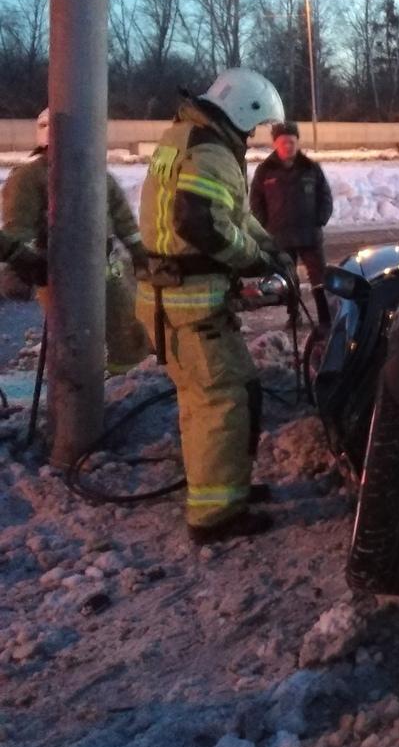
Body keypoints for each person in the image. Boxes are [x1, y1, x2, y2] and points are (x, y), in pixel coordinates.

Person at [136, 68, 291, 544]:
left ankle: (226, 487)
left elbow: (235, 215)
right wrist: (255, 260)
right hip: (190, 305)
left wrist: (273, 247)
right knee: (223, 402)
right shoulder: (212, 151)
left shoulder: (187, 138)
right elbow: (201, 223)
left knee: (210, 399)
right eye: (254, 125)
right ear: (242, 111)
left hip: (172, 300)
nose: (253, 135)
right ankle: (216, 515)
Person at [0, 107, 152, 374]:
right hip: (61, 273)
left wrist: (140, 253)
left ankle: (122, 386)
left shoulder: (98, 174)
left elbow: (123, 219)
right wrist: (23, 269)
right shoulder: (29, 178)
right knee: (77, 338)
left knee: (127, 326)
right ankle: (81, 397)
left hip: (107, 268)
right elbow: (19, 230)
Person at [249, 120, 334, 329]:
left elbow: (325, 196)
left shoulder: (310, 168)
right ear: (275, 144)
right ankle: (294, 315)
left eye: (291, 142)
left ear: (297, 142)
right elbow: (256, 201)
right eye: (283, 142)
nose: (288, 146)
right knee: (288, 279)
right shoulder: (265, 171)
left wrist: (320, 219)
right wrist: (265, 227)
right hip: (280, 236)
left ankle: (325, 317)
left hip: (309, 234)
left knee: (319, 278)